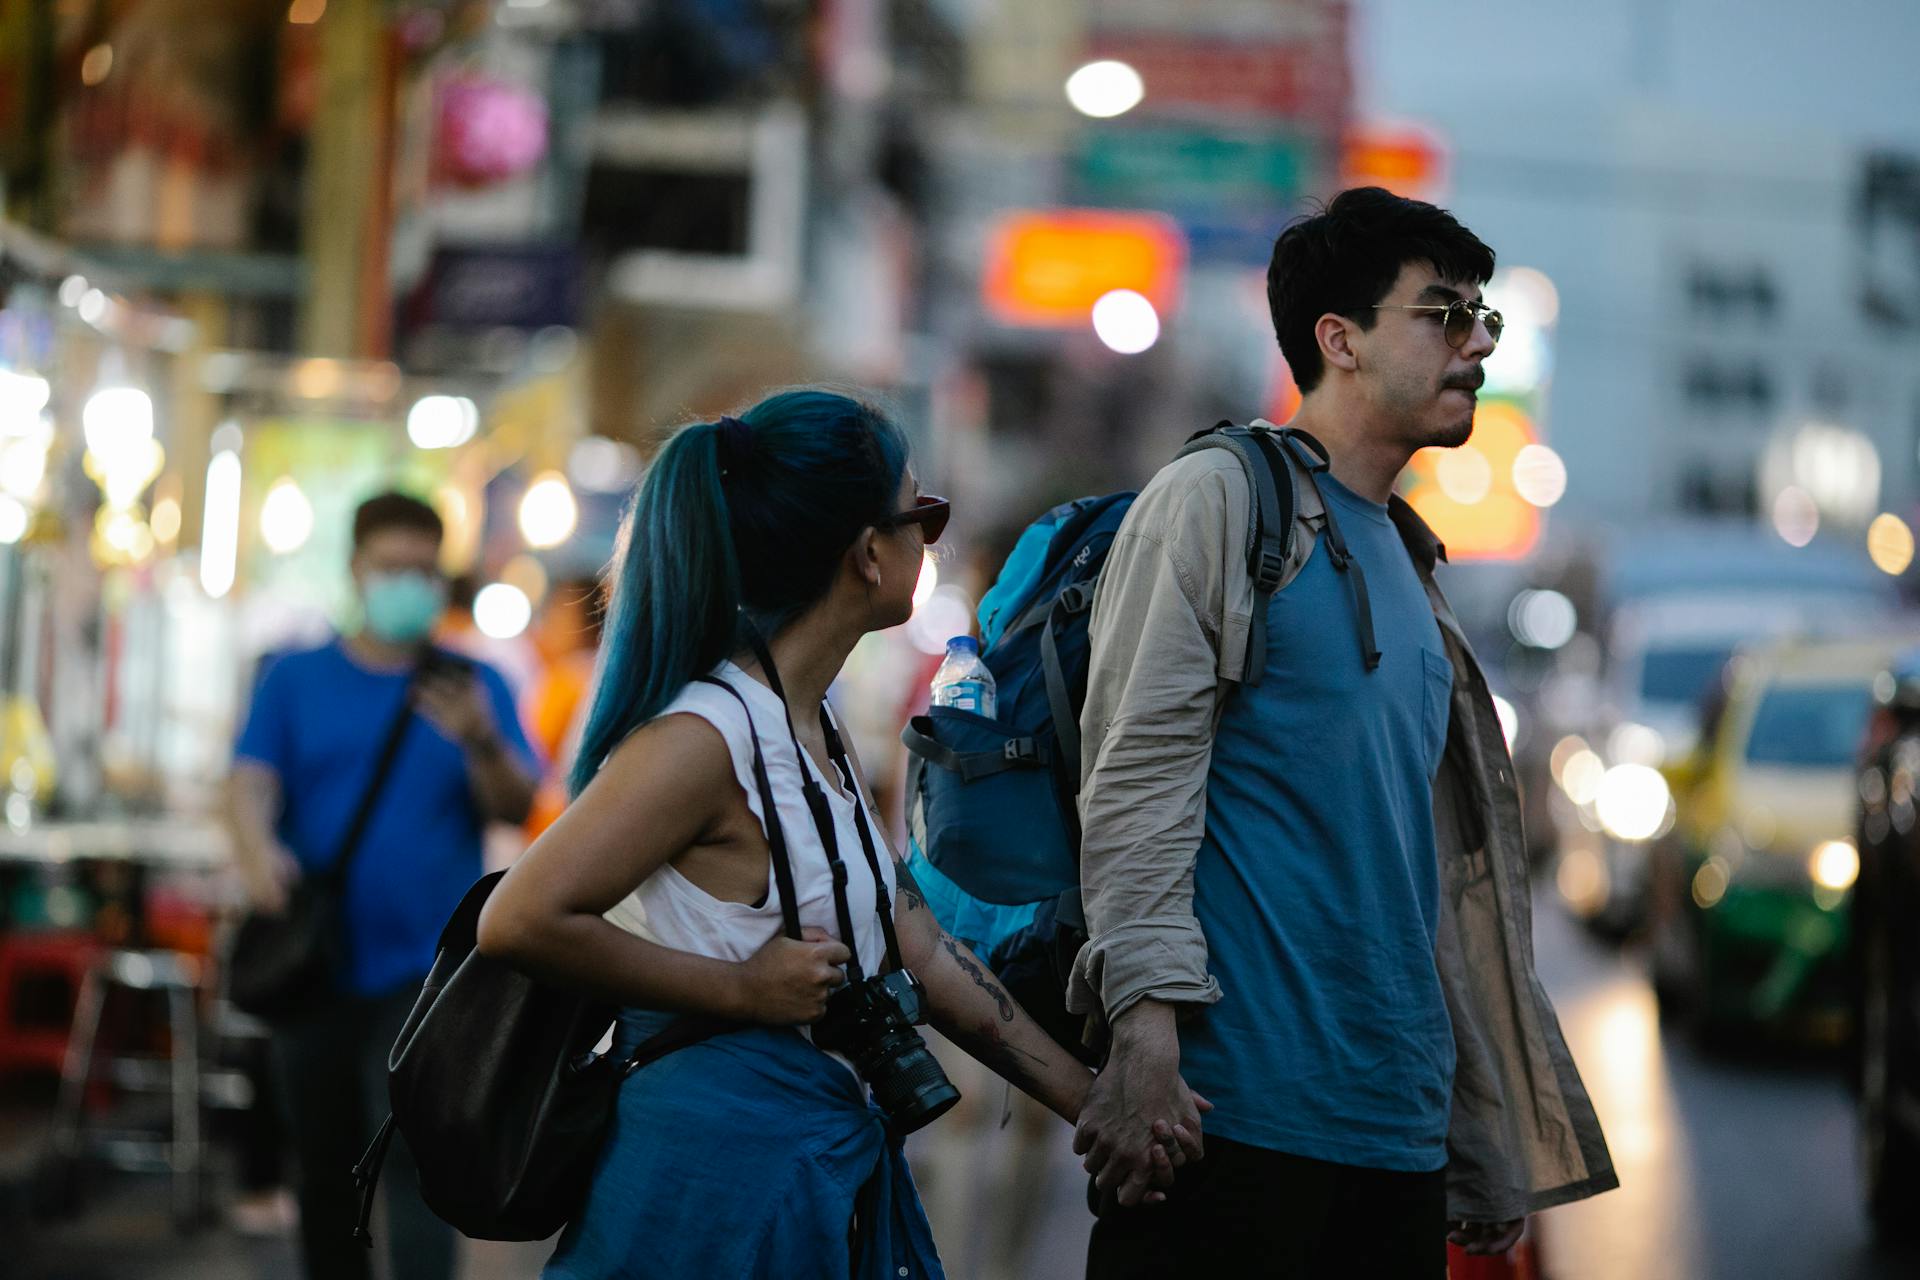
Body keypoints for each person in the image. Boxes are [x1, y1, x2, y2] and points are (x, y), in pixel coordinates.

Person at [474, 390, 1156, 1279]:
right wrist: (742, 990)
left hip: (792, 1174)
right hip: (706, 1193)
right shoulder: (702, 739)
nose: (933, 540)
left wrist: (1102, 1108)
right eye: (925, 515)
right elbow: (519, 920)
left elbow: (928, 956)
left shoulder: (810, 728)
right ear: (869, 553)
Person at [1067, 188, 1617, 1277]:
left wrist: (1473, 1132)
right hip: (1228, 1123)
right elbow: (1135, 779)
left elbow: (1425, 886)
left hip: (1392, 1142)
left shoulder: (1414, 564)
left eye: (1484, 321)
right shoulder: (1219, 500)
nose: (1478, 347)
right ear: (1341, 339)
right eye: (1443, 316)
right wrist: (1141, 1033)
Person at [225, 491, 539, 1280]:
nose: (407, 583)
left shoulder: (472, 684)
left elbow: (515, 802)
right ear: (356, 570)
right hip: (317, 962)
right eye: (391, 567)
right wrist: (258, 851)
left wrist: (478, 740)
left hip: (431, 974)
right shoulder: (295, 678)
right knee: (323, 1161)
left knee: (413, 1163)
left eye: (423, 571)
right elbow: (247, 783)